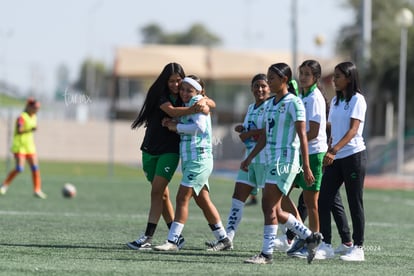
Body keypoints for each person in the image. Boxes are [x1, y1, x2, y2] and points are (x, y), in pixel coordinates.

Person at [126, 63, 215, 250]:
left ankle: (149, 237)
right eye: (172, 81)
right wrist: (197, 108)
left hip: (171, 150)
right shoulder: (161, 95)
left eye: (179, 81)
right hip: (150, 149)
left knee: (157, 191)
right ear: (165, 81)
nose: (176, 85)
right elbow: (173, 112)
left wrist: (205, 104)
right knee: (162, 195)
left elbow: (208, 102)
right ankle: (176, 237)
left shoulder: (188, 96)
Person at [241, 63, 322, 265]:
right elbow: (265, 137)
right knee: (275, 210)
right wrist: (250, 157)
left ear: (284, 80)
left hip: (286, 160)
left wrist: (307, 166)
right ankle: (310, 236)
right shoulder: (269, 104)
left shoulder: (294, 103)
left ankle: (266, 254)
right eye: (268, 78)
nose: (268, 82)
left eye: (272, 79)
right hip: (271, 159)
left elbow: (303, 136)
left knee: (267, 204)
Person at [153, 75, 231, 251]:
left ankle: (172, 241)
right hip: (193, 160)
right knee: (203, 200)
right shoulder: (190, 104)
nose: (184, 92)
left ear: (198, 92)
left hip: (199, 159)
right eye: (183, 89)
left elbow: (200, 127)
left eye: (189, 90)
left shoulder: (197, 101)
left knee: (182, 198)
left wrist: (176, 127)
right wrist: (172, 122)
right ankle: (224, 239)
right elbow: (190, 121)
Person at [205, 73, 271, 249]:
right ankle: (228, 238)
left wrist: (248, 134)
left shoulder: (271, 106)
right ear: (251, 88)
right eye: (256, 86)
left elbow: (267, 133)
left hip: (265, 159)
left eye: (263, 86)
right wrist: (244, 129)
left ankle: (296, 236)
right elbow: (252, 131)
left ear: (270, 88)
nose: (260, 89)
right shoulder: (251, 108)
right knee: (238, 197)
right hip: (249, 159)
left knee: (272, 205)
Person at [318, 61, 367, 262]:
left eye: (338, 76)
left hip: (353, 156)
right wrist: (328, 148)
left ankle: (358, 248)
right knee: (324, 199)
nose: (334, 80)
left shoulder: (358, 99)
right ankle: (326, 244)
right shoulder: (336, 101)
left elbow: (353, 130)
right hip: (335, 156)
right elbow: (333, 129)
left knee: (354, 202)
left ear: (349, 78)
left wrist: (335, 150)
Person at [0, 98, 47, 199]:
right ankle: (4, 185)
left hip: (30, 146)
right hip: (20, 146)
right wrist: (31, 129)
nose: (36, 110)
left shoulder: (34, 116)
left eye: (38, 108)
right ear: (29, 107)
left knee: (35, 168)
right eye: (35, 108)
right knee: (19, 168)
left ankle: (37, 190)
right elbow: (20, 130)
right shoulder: (21, 117)